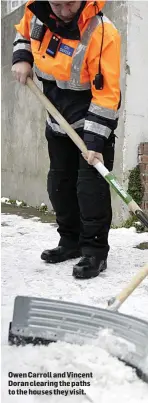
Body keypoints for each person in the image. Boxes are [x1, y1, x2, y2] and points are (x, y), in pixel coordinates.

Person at [12, 1, 121, 279]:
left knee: (90, 190)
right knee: (59, 185)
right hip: (56, 116)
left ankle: (94, 253)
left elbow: (107, 95)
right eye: (56, 3)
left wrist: (95, 143)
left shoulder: (102, 34)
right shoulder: (37, 10)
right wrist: (22, 57)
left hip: (90, 122)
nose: (62, 10)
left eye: (69, 3)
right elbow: (24, 33)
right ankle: (70, 243)